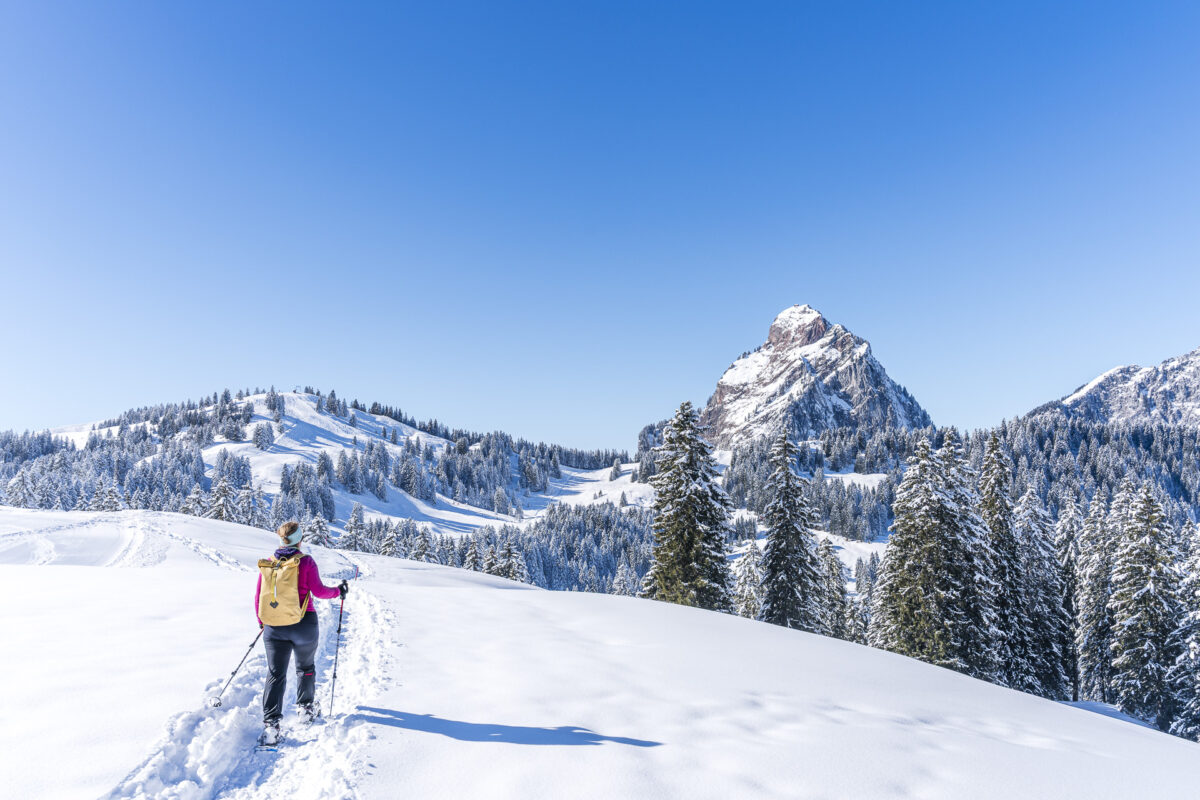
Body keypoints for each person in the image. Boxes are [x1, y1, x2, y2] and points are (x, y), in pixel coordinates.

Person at [255, 520, 347, 744]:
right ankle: (305, 709)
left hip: (274, 628)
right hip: (304, 624)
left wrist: (263, 622)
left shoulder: (270, 563)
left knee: (276, 674)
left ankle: (271, 727)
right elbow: (319, 591)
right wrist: (339, 592)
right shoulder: (305, 562)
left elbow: (259, 597)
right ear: (300, 540)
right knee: (305, 667)